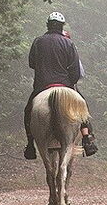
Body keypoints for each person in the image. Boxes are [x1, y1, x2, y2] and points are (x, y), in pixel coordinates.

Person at [24, 12, 98, 159]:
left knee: (28, 111)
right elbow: (75, 71)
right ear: (61, 26)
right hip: (65, 84)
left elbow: (32, 63)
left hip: (42, 85)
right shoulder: (68, 43)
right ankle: (87, 138)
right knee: (82, 108)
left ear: (48, 25)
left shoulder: (38, 41)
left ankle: (30, 144)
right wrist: (71, 84)